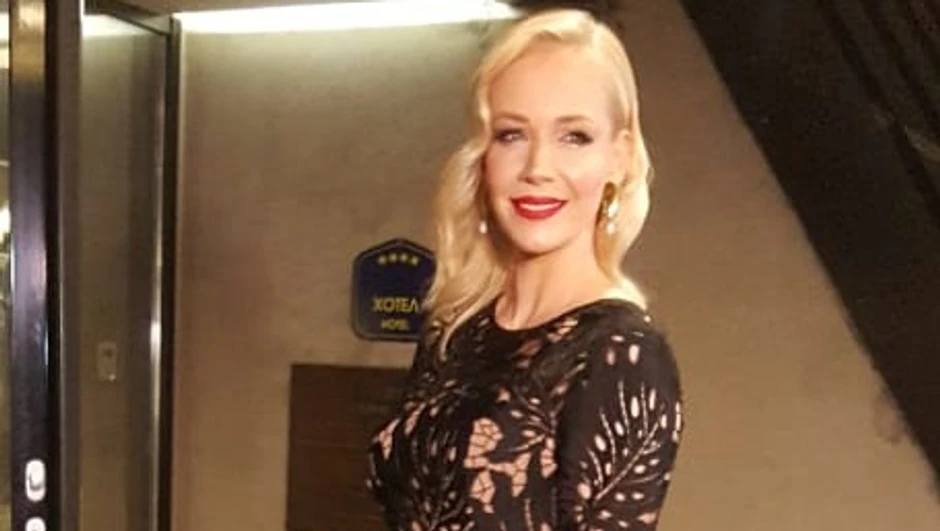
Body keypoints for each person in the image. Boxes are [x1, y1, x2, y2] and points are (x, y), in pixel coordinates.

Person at [366, 8, 683, 530]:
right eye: (512, 135)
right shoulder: (455, 328)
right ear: (484, 155)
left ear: (619, 157)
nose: (537, 168)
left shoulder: (620, 353)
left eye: (574, 137)